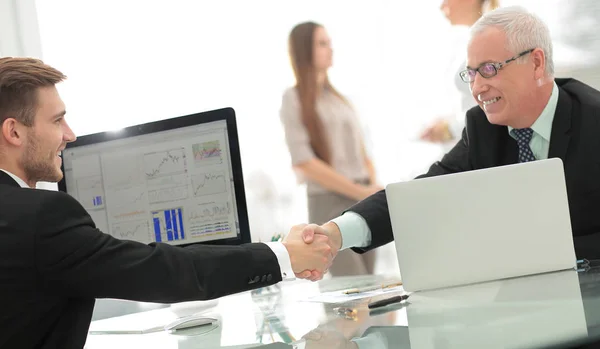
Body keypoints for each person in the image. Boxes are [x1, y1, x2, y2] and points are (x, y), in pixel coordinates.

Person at [0, 57, 333, 349]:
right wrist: (285, 255)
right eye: (57, 120)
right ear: (14, 132)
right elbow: (159, 271)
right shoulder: (43, 217)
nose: (70, 135)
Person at [293, 6, 600, 282]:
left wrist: (554, 256)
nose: (478, 87)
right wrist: (335, 233)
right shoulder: (483, 128)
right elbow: (419, 196)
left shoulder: (593, 120)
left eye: (490, 69)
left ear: (535, 63)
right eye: (471, 73)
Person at [279, 22, 382, 276]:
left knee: (369, 286)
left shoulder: (339, 99)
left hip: (362, 199)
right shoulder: (293, 99)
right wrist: (358, 189)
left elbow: (362, 150)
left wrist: (371, 188)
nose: (330, 48)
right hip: (329, 203)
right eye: (322, 43)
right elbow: (304, 161)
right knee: (350, 290)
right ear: (304, 50)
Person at [420, 0, 500, 150]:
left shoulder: (492, 40)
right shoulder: (469, 40)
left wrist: (450, 129)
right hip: (468, 145)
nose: (442, 6)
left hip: (483, 147)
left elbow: (497, 108)